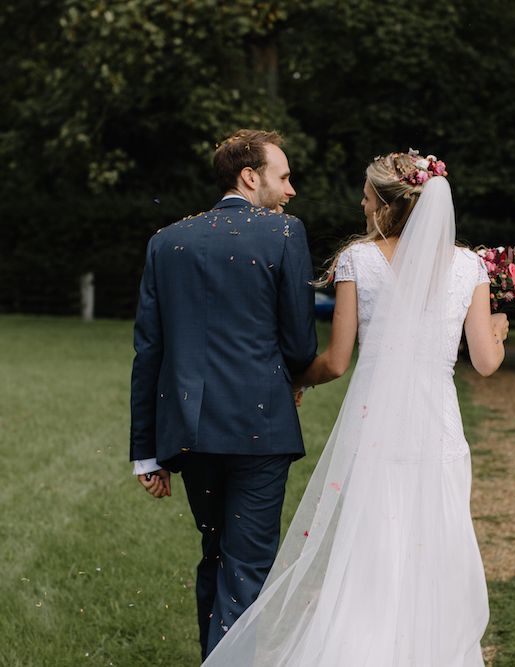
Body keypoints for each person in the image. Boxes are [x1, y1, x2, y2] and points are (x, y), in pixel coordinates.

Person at [202, 150, 509, 666]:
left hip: (375, 432)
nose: (361, 204)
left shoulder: (357, 261)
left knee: (371, 545)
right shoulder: (469, 266)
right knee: (436, 541)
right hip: (436, 428)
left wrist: (296, 379)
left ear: (385, 206)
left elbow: (337, 361)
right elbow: (484, 362)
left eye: (366, 197)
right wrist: (497, 329)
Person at [129, 129, 317, 661]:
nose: (291, 189)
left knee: (216, 554)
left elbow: (149, 353)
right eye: (283, 176)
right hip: (262, 430)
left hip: (189, 431)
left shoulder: (166, 241)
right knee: (248, 565)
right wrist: (295, 373)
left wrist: (146, 451)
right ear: (250, 175)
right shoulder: (284, 234)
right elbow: (301, 344)